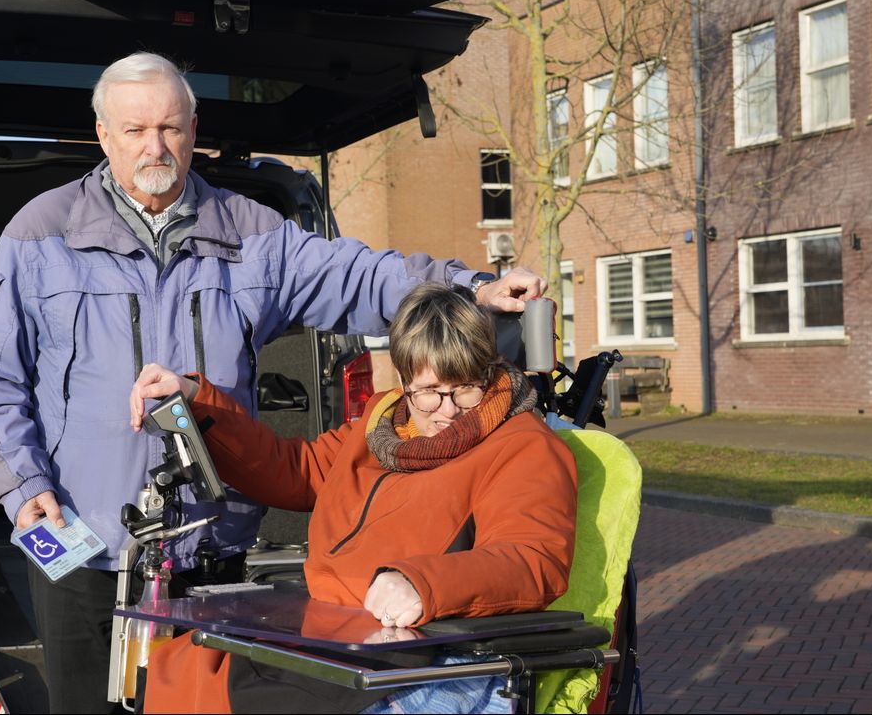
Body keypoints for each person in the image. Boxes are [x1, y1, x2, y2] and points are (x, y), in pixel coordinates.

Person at [0, 52, 546, 713]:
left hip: (211, 549)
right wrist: (22, 483)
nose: (155, 146)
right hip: (83, 545)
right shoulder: (41, 234)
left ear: (193, 128)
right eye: (136, 130)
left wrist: (470, 286)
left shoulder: (251, 233)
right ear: (103, 135)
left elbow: (359, 275)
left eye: (170, 128)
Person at [128, 283, 578, 713]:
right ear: (403, 380)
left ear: (489, 370)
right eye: (429, 392)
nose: (447, 411)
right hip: (330, 632)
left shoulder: (521, 446)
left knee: (222, 689)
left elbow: (532, 558)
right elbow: (296, 470)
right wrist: (197, 401)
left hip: (418, 646)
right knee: (180, 667)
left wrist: (424, 584)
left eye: (464, 388)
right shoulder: (380, 423)